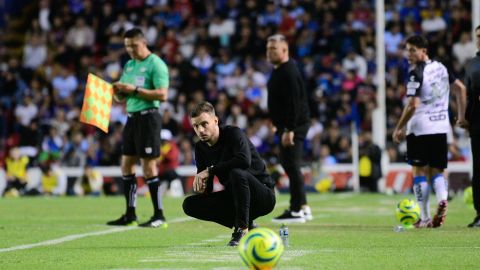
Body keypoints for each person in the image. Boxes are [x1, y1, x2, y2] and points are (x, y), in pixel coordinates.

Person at [392, 35, 467, 228]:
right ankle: (442, 199)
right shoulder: (441, 68)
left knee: (419, 171)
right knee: (437, 171)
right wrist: (461, 115)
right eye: (407, 50)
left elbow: (413, 105)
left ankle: (424, 218)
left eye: (412, 50)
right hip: (441, 127)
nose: (408, 54)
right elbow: (460, 88)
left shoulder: (416, 72)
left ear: (423, 51)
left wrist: (399, 126)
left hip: (420, 128)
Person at [182, 102, 276, 246]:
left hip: (262, 196)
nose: (200, 130)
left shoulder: (233, 133)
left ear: (215, 121)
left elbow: (244, 161)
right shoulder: (200, 148)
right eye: (196, 126)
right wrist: (203, 188)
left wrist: (210, 170)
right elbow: (208, 186)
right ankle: (248, 224)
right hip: (236, 198)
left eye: (204, 124)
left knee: (237, 173)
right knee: (189, 204)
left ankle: (241, 229)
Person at [107, 28, 169, 228]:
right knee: (126, 165)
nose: (130, 50)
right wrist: (117, 92)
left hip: (149, 117)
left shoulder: (156, 64)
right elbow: (121, 96)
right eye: (127, 47)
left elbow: (162, 94)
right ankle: (130, 214)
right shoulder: (129, 65)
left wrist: (133, 90)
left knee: (149, 167)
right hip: (131, 118)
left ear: (144, 43)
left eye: (133, 46)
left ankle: (159, 215)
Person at [266, 34, 312, 223]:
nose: (270, 52)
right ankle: (303, 207)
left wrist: (289, 128)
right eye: (268, 49)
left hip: (293, 126)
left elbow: (295, 102)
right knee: (290, 164)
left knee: (292, 165)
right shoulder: (281, 70)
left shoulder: (288, 71)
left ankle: (296, 210)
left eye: (274, 49)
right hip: (287, 126)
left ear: (285, 50)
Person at [464, 25, 480, 228]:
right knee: (479, 171)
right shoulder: (472, 65)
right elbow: (466, 95)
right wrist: (463, 117)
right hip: (477, 126)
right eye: (477, 37)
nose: (479, 40)